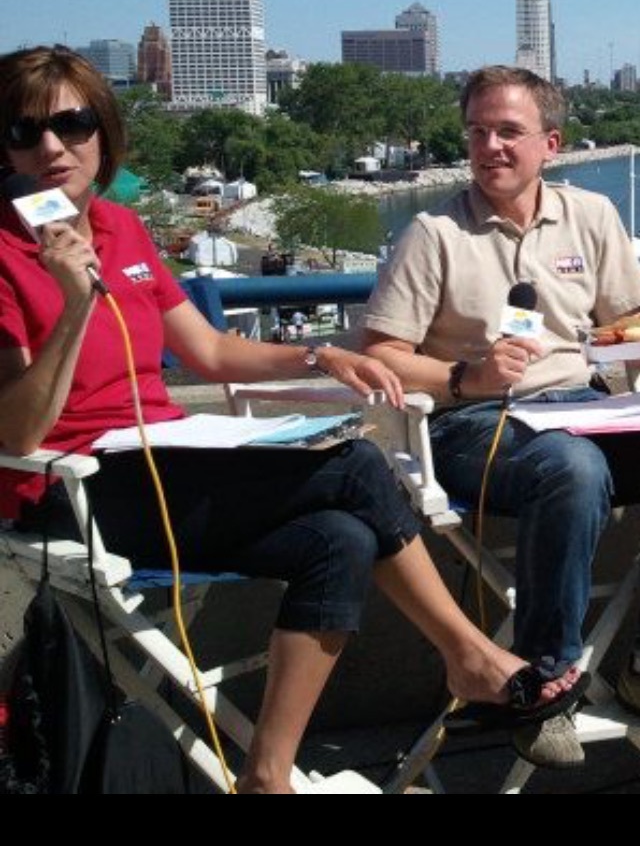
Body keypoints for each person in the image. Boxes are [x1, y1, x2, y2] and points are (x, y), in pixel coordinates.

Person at [0, 48, 580, 793]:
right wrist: (75, 303)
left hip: (162, 465)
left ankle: (266, 775)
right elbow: (17, 434)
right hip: (70, 491)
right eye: (24, 131)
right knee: (354, 465)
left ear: (103, 132)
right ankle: (468, 656)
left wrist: (319, 356)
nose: (52, 147)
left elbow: (210, 350)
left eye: (72, 123)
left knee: (340, 538)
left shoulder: (121, 228)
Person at [363, 64, 640, 766]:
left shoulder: (590, 216)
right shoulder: (433, 233)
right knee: (572, 469)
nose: (490, 147)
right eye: (478, 132)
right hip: (474, 421)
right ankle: (541, 683)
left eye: (509, 132)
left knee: (577, 455)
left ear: (552, 143)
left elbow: (628, 320)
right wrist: (469, 376)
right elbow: (381, 354)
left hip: (583, 406)